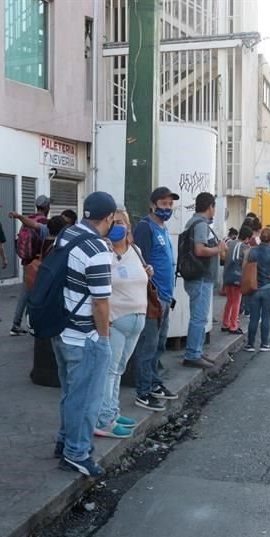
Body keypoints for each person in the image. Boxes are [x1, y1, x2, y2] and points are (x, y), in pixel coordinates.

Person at [52, 192, 117, 478]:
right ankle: (77, 452)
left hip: (61, 329)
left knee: (70, 393)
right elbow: (101, 302)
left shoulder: (67, 235)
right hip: (85, 335)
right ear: (109, 217)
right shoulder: (97, 248)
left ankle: (65, 440)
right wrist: (103, 339)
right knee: (87, 397)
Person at [96, 210, 151, 438]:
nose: (118, 227)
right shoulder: (103, 252)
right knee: (109, 371)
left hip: (137, 317)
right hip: (115, 320)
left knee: (118, 369)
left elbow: (140, 277)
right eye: (114, 222)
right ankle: (103, 419)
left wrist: (148, 272)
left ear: (129, 227)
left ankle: (113, 411)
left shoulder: (135, 251)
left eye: (122, 223)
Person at [131, 187, 180, 411]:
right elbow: (143, 263)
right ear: (153, 205)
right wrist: (152, 293)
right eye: (163, 203)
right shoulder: (145, 227)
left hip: (165, 296)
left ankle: (154, 383)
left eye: (170, 204)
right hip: (153, 297)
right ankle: (143, 391)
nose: (167, 208)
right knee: (148, 346)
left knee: (159, 345)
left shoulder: (163, 227)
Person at [181, 192, 225, 369]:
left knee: (199, 317)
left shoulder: (195, 223)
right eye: (214, 207)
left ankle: (196, 351)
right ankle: (192, 354)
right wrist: (218, 248)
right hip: (200, 278)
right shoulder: (200, 225)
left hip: (199, 277)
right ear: (210, 207)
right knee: (199, 318)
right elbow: (199, 250)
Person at [10, 195, 52, 336]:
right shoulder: (45, 222)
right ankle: (30, 324)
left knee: (26, 293)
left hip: (26, 262)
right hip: (39, 263)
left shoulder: (28, 219)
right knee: (38, 294)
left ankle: (17, 324)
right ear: (47, 207)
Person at [221, 226, 252, 335]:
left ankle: (225, 324)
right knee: (236, 301)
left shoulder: (231, 243)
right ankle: (234, 326)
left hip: (227, 275)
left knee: (229, 300)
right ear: (248, 238)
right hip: (237, 277)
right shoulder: (245, 246)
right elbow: (245, 264)